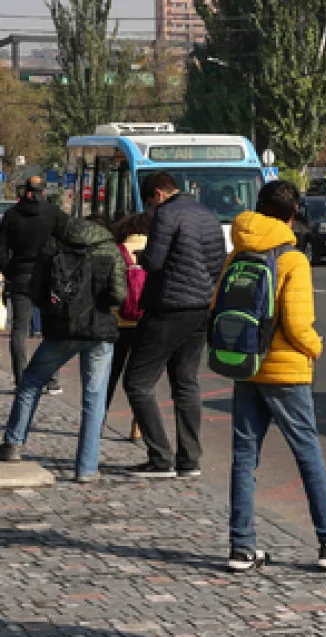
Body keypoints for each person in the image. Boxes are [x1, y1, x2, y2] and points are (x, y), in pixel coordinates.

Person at [219, 181, 326, 573]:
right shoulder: (292, 259)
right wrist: (315, 346)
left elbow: (217, 306)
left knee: (244, 457)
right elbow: (297, 325)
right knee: (308, 454)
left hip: (246, 364)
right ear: (293, 213)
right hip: (287, 372)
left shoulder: (238, 253)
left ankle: (241, 547)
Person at [0, 217, 127, 481]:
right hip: (98, 329)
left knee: (32, 381)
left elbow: (36, 290)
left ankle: (13, 443)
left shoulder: (53, 245)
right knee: (94, 397)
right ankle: (86, 468)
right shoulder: (108, 248)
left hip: (61, 329)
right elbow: (118, 295)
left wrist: (55, 309)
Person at [123, 171, 225, 479]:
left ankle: (160, 457)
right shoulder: (207, 215)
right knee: (186, 382)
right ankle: (189, 459)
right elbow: (217, 261)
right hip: (200, 307)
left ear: (158, 194)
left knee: (137, 382)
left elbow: (154, 261)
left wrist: (141, 257)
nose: (151, 210)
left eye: (150, 203)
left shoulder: (167, 215)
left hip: (168, 307)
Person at [0, 177, 66, 394]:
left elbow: (1, 250)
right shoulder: (54, 214)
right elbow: (66, 241)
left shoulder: (11, 216)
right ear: (42, 192)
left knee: (20, 329)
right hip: (48, 276)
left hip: (21, 275)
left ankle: (21, 380)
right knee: (51, 328)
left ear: (26, 192)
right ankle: (52, 379)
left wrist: (10, 271)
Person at [106, 212, 151, 442]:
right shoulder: (156, 249)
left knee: (110, 374)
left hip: (118, 321)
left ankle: (98, 420)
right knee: (140, 380)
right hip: (146, 322)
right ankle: (138, 426)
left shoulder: (117, 250)